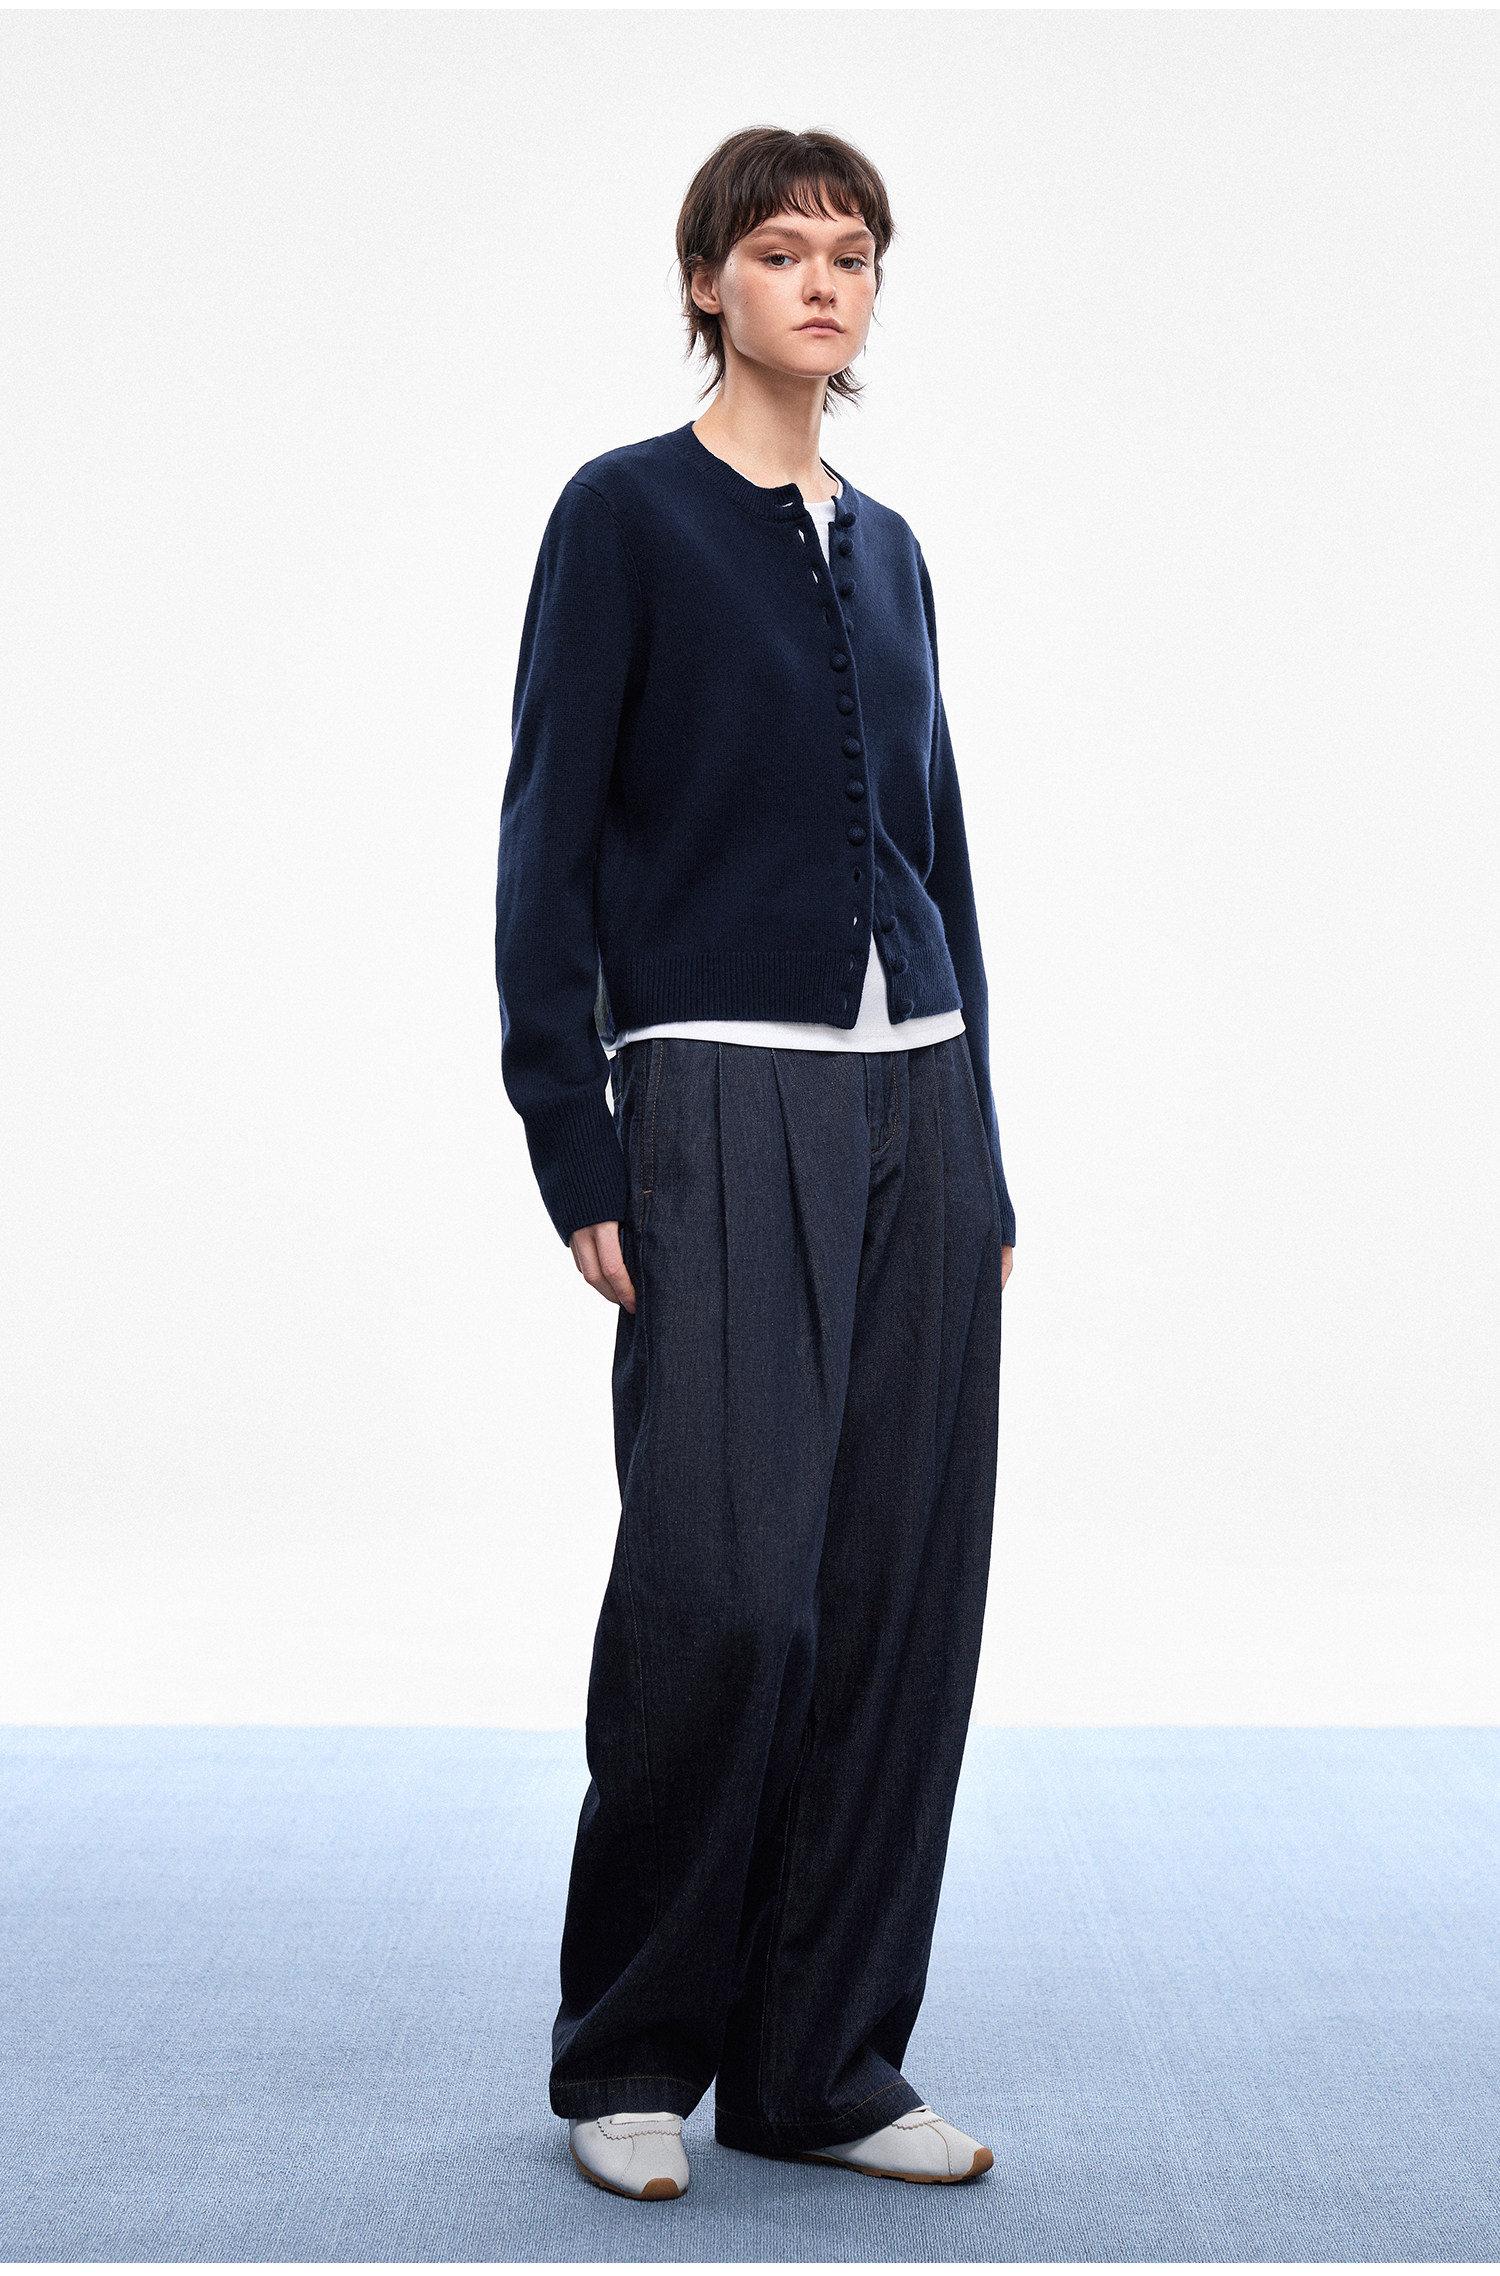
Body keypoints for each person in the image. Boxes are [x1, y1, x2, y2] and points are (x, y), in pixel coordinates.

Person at [494, 124, 1015, 2202]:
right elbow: (545, 837)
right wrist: (573, 1128)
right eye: (784, 248)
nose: (823, 279)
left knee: (897, 1598)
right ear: (709, 277)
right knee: (721, 1586)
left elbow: (942, 855)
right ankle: (632, 2046)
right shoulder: (621, 516)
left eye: (852, 253)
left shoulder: (892, 553)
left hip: (922, 1102)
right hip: (716, 1093)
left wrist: (988, 1159)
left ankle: (823, 2064)